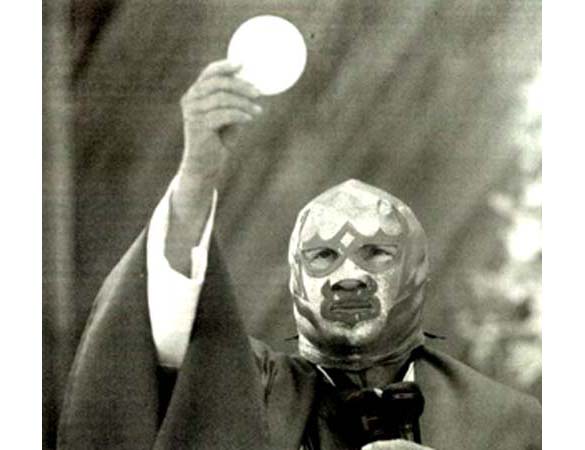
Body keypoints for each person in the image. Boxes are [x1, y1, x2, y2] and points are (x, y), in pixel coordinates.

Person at [57, 60, 541, 450]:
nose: (348, 275)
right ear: (295, 280)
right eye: (323, 256)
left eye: (375, 253)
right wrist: (197, 176)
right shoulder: (247, 395)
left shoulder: (511, 422)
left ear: (415, 271)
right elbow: (153, 330)